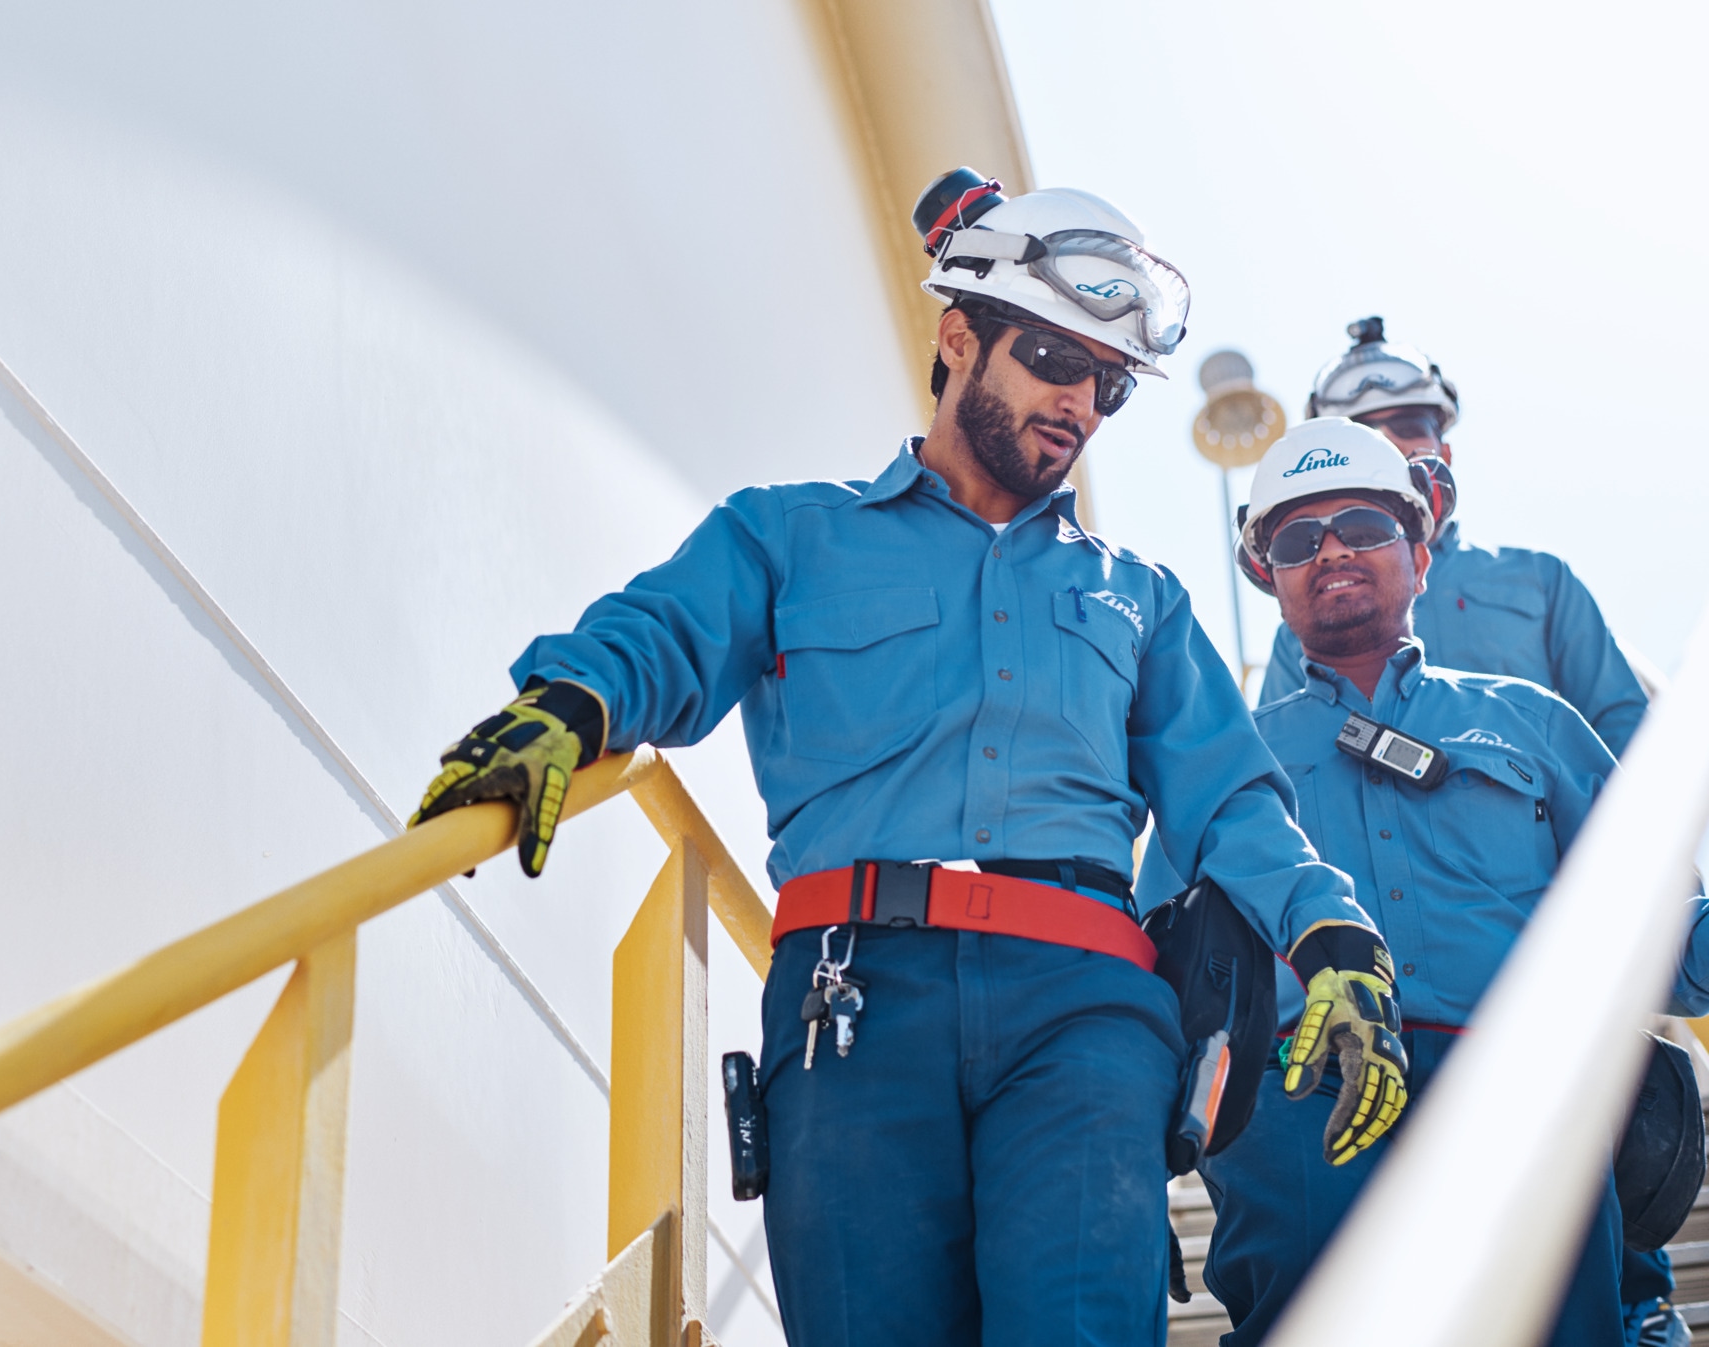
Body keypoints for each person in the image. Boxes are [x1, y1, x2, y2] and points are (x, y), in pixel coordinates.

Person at [408, 170, 1406, 1346]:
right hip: (850, 1005)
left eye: (1108, 384)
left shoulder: (1137, 599)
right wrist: (571, 706)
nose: (1080, 403)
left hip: (1083, 1016)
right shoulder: (785, 534)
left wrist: (1330, 935)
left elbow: (1231, 800)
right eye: (1052, 358)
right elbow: (664, 635)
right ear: (957, 337)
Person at [1186, 417, 1651, 1345]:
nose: (1329, 552)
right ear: (1269, 578)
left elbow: (1646, 915)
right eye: (1294, 539)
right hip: (1301, 1104)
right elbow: (1164, 957)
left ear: (1420, 551)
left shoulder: (1532, 724)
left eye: (1361, 525)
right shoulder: (1219, 758)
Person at [1260, 318, 1646, 755]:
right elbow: (1279, 759)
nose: (1389, 444)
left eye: (1408, 425)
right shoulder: (1301, 631)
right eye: (1365, 434)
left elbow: (1622, 727)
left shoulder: (1540, 580)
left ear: (1444, 452)